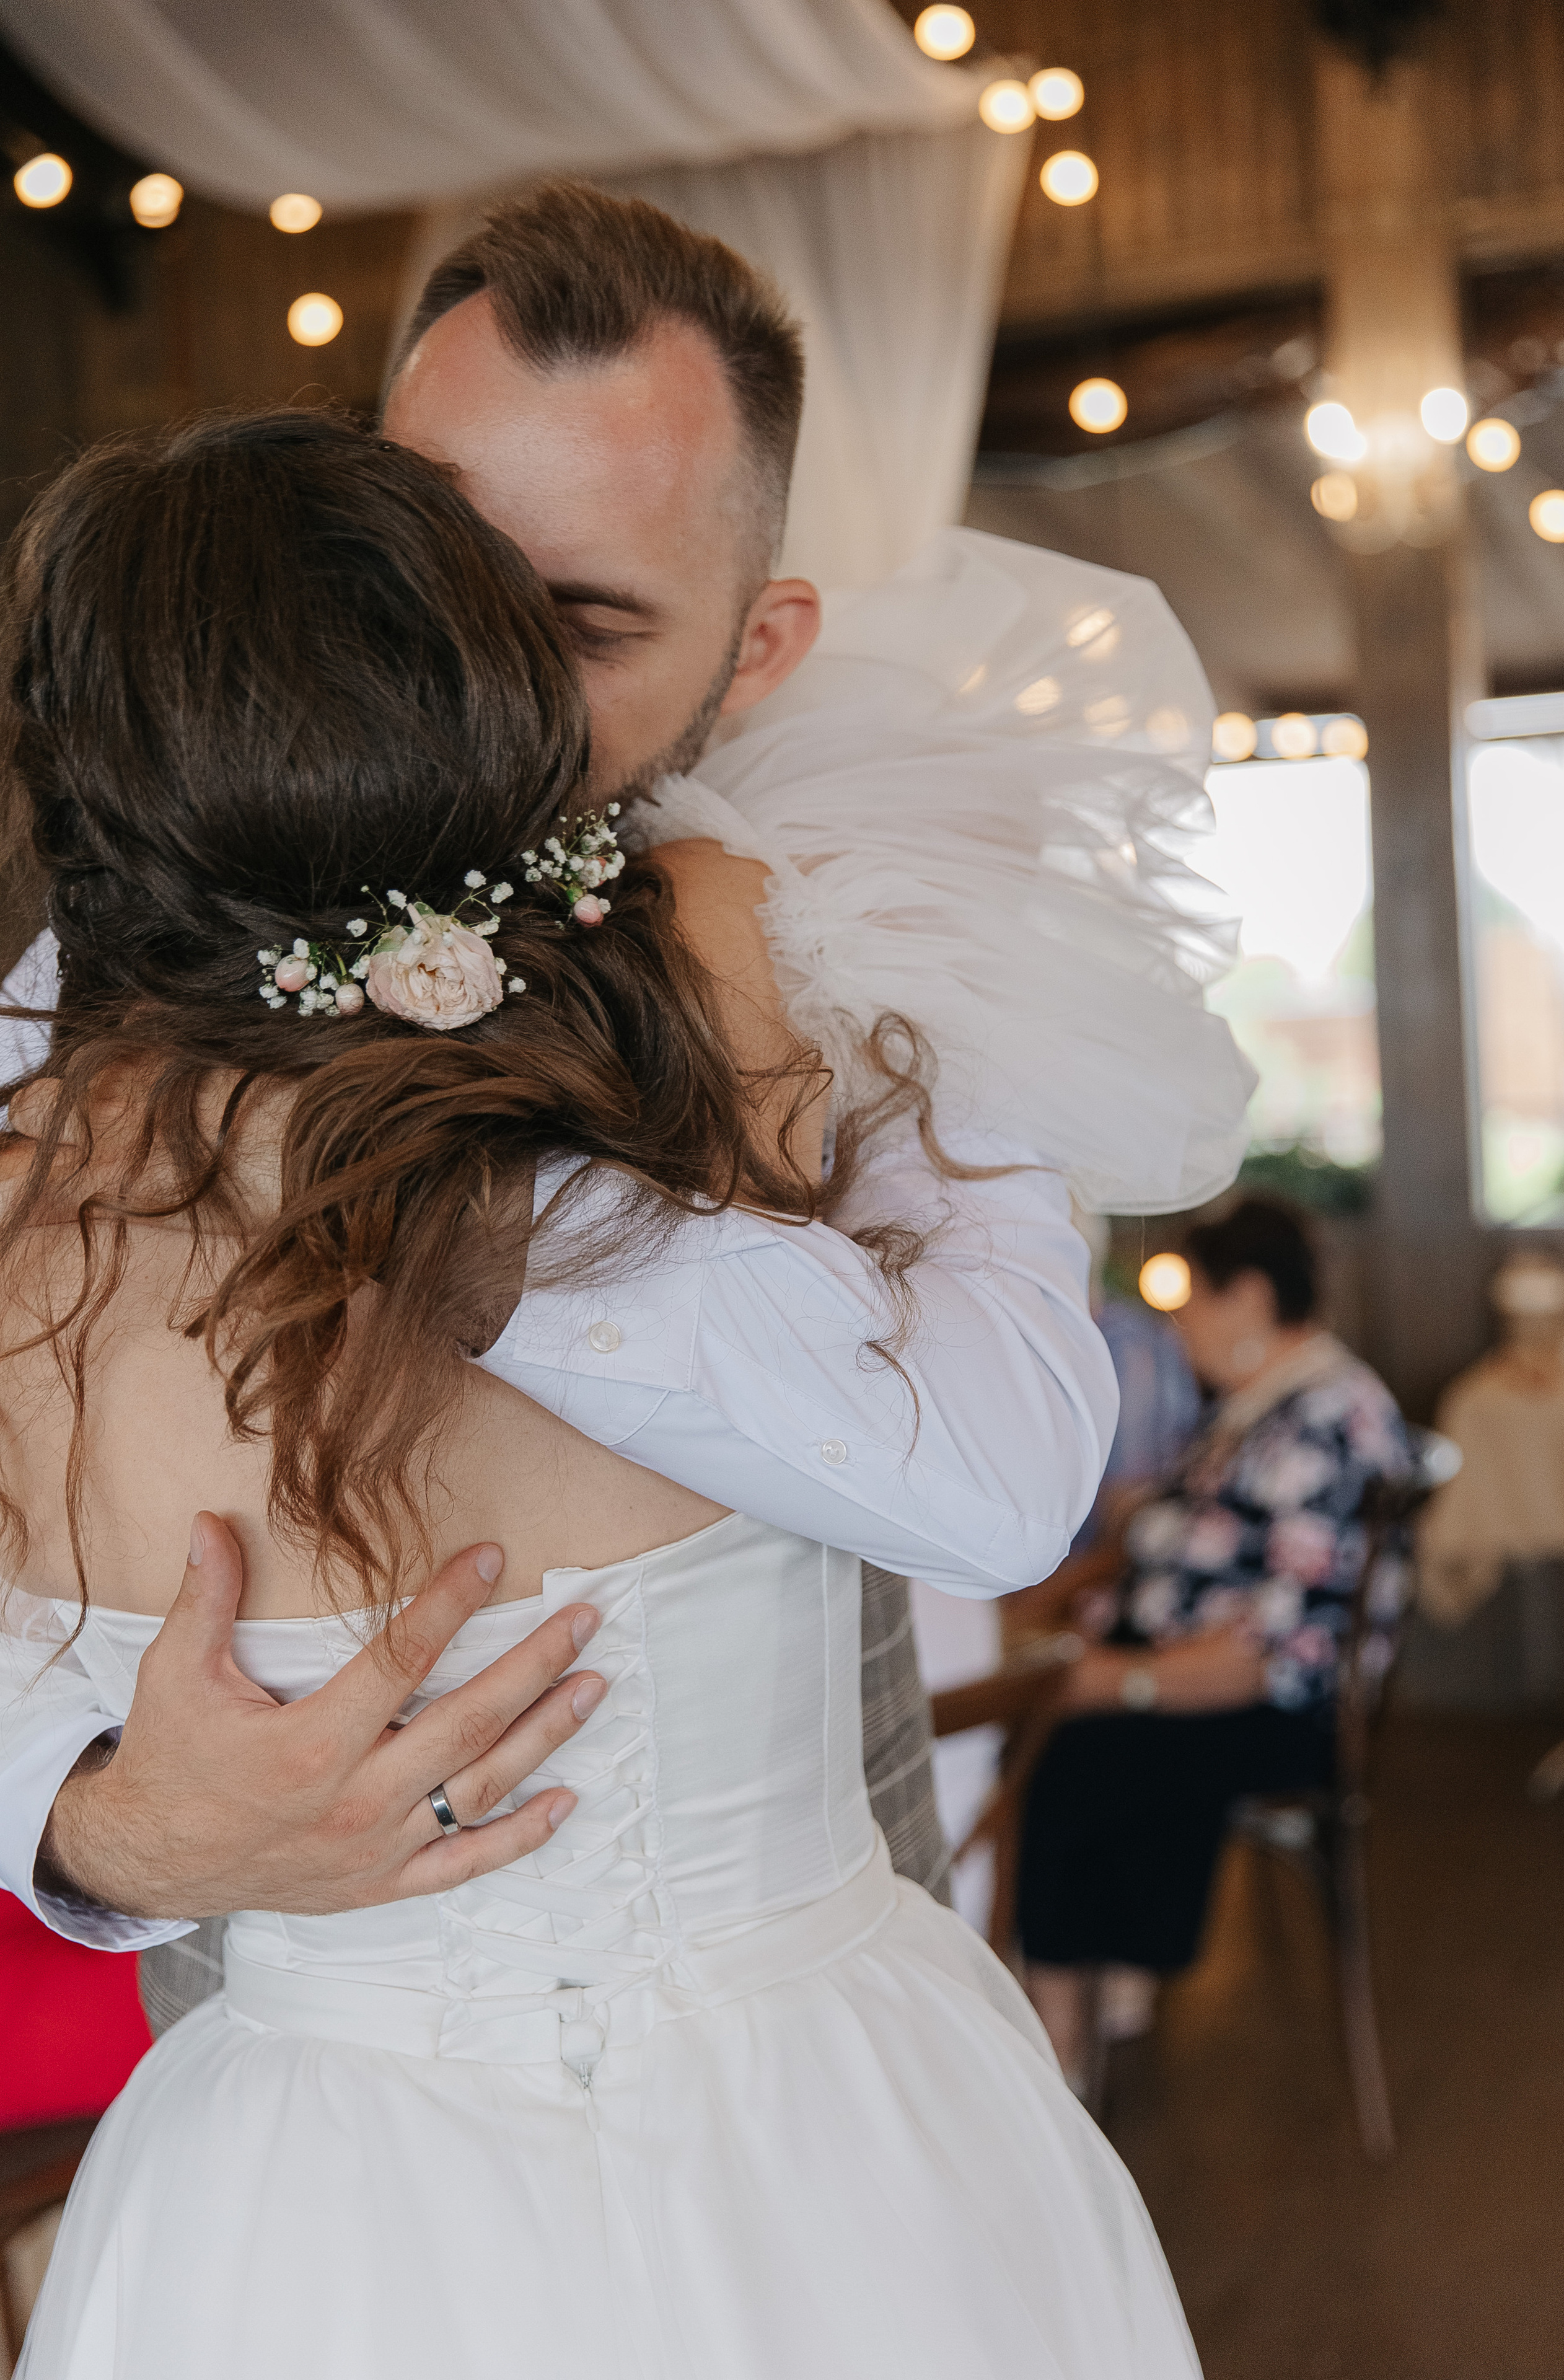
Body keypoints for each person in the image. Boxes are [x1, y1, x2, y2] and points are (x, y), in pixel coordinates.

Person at [1, 406, 1205, 2379]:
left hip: (299, 2205)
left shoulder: (38, 1215)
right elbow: (974, 1462)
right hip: (837, 2130)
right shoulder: (722, 988)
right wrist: (98, 1835)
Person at [1016, 1199, 1413, 2086]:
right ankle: (1088, 1992)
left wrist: (1120, 1681)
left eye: (1193, 1295)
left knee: (1073, 1751)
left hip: (1276, 1706)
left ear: (1251, 1297)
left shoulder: (1324, 1419)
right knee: (1053, 1729)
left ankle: (1060, 2038)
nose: (1176, 1317)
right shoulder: (1260, 1406)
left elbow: (1270, 1651)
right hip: (1203, 1669)